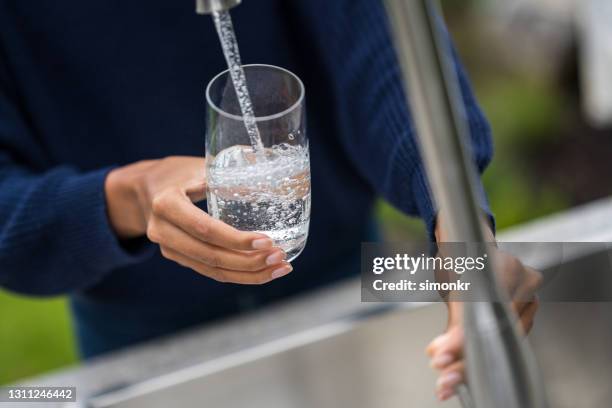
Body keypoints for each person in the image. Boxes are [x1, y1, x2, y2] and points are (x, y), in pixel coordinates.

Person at [0, 0, 540, 401]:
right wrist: (129, 196)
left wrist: (462, 236)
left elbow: (385, 51)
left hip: (351, 272)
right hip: (140, 334)